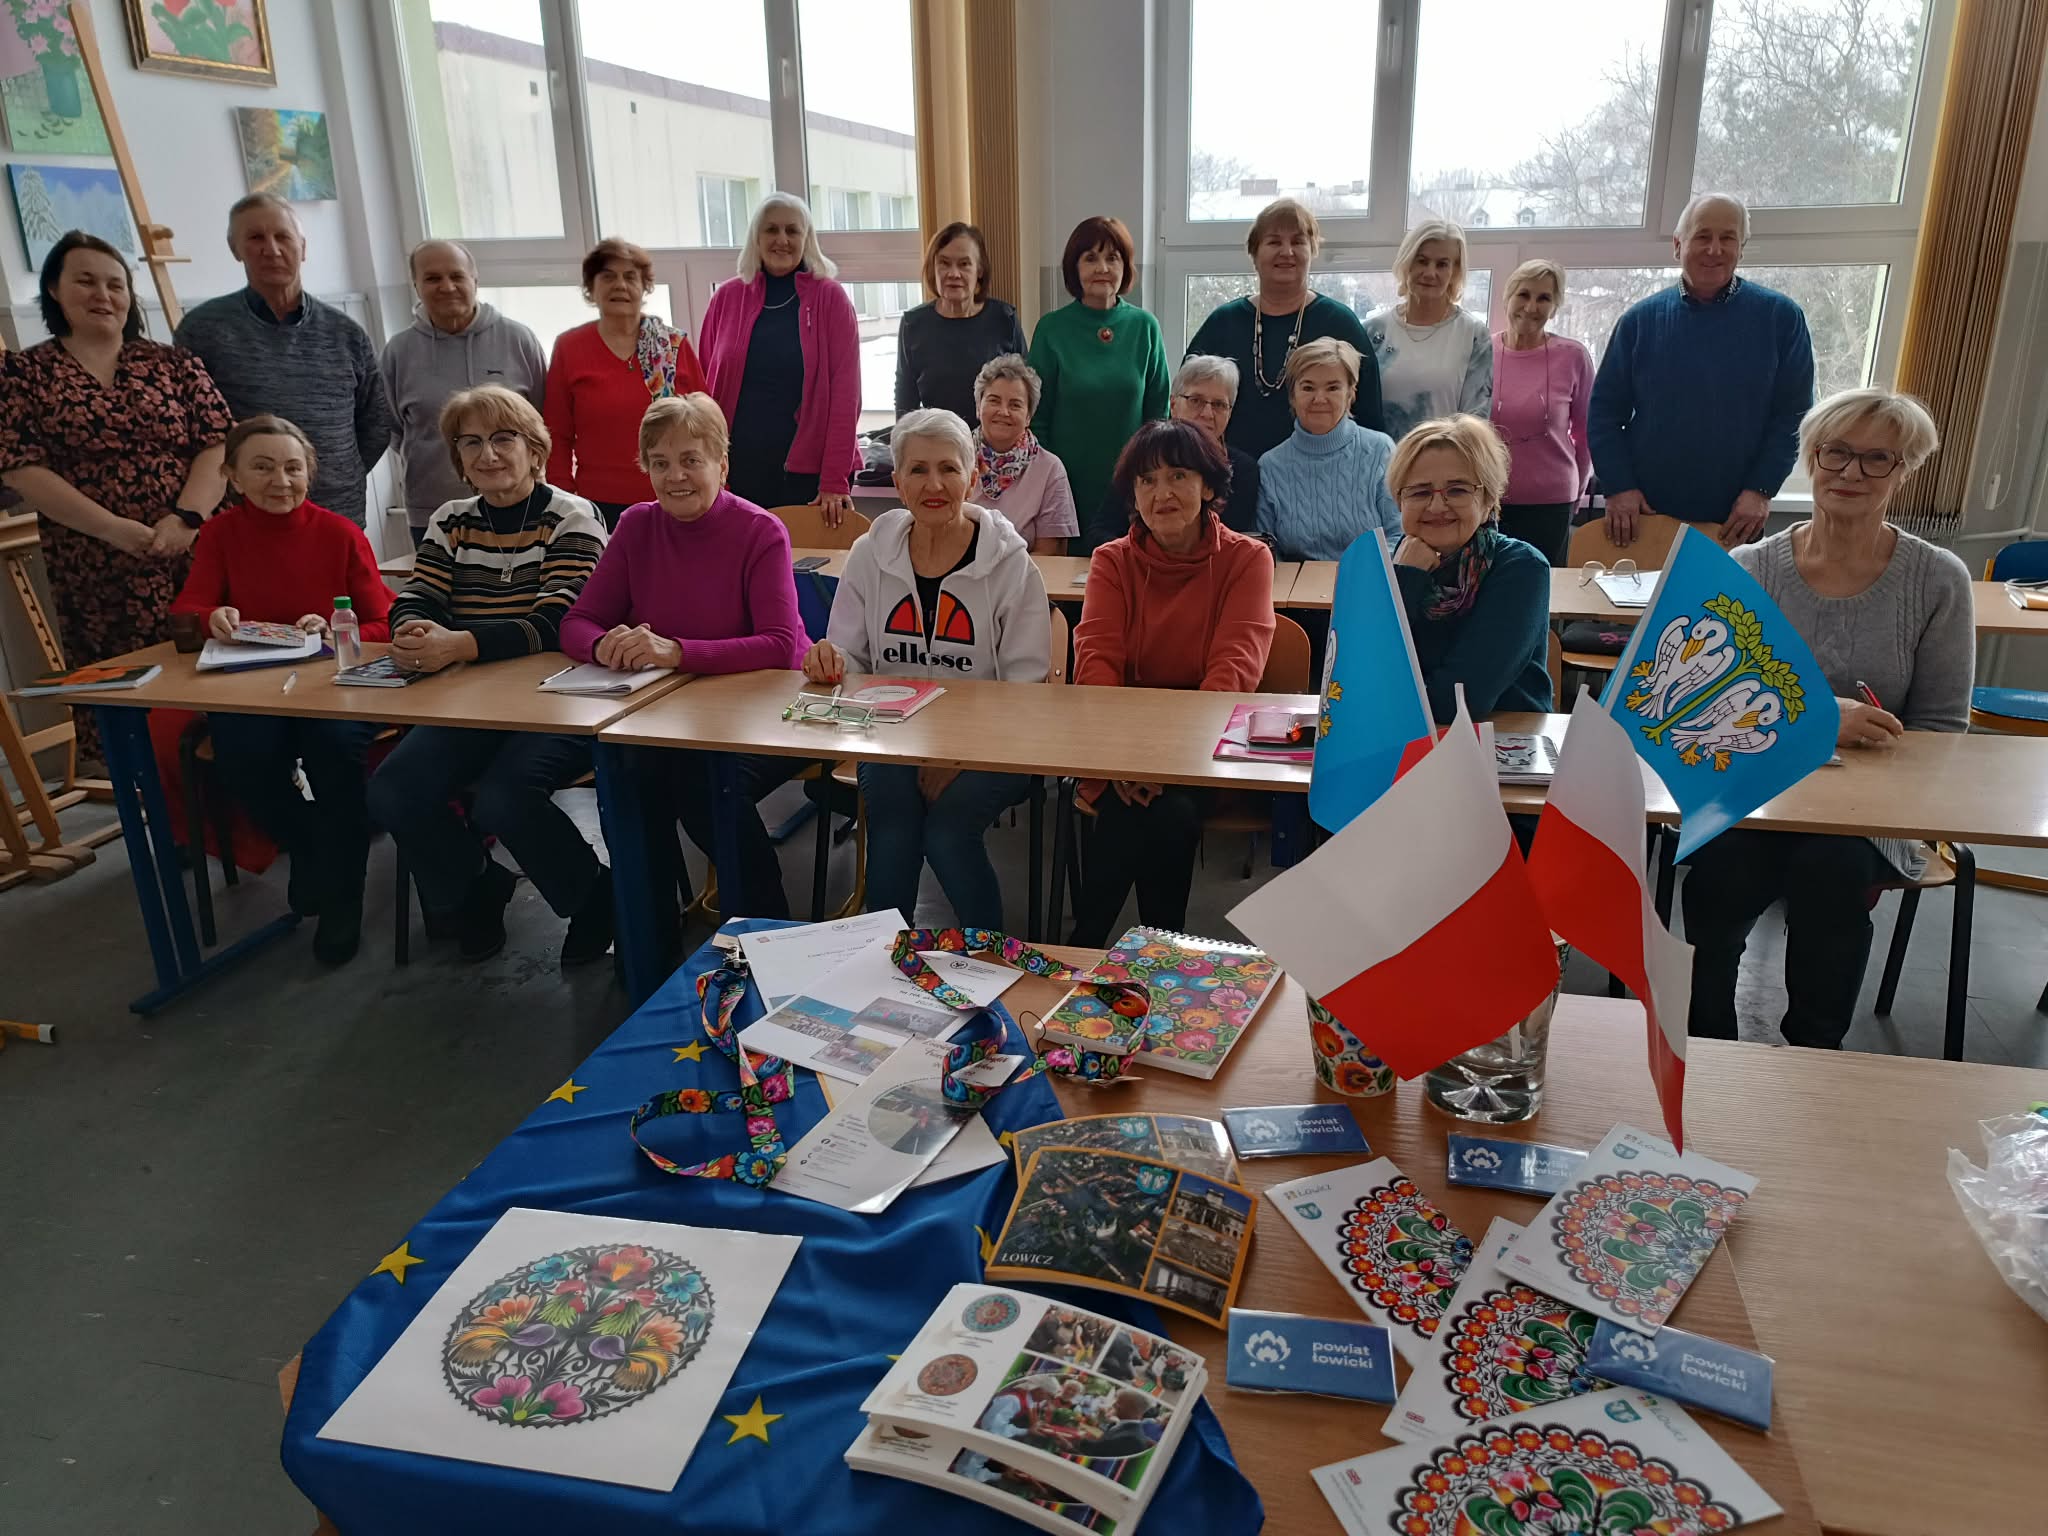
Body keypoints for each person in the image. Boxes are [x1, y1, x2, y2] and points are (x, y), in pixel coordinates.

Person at [1681, 387, 1971, 1050]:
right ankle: (1706, 1048)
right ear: (1810, 458)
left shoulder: (1938, 579)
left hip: (1874, 811)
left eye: (1878, 459)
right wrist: (1816, 720)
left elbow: (1944, 731)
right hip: (1760, 793)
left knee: (1831, 870)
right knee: (1719, 874)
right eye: (1835, 452)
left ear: (1905, 471)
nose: (1851, 472)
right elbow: (1711, 706)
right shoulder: (1750, 567)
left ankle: (1816, 1055)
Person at [366, 386, 612, 966]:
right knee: (394, 788)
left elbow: (558, 621)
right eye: (470, 442)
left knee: (503, 799)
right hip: (470, 701)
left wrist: (460, 644)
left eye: (503, 439)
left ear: (535, 449)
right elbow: (418, 594)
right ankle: (477, 883)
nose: (488, 454)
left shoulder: (573, 517)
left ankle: (593, 897)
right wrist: (412, 630)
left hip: (558, 701)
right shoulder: (451, 519)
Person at [560, 394, 810, 931]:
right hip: (670, 714)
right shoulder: (636, 525)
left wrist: (676, 651)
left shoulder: (760, 530)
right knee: (630, 777)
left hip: (769, 710)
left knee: (703, 785)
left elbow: (777, 644)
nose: (675, 476)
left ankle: (767, 930)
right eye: (660, 462)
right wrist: (604, 644)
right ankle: (649, 936)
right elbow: (578, 622)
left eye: (691, 460)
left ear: (722, 464)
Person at [802, 408, 1050, 928]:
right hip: (894, 736)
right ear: (897, 483)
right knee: (893, 823)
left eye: (948, 469)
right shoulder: (869, 555)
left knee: (947, 833)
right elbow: (851, 657)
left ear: (972, 478)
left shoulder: (1011, 565)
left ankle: (990, 956)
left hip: (996, 743)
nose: (933, 485)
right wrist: (831, 659)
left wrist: (958, 755)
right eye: (917, 470)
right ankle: (885, 954)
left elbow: (1027, 691)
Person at [0, 233, 230, 762]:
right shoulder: (23, 375)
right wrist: (113, 529)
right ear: (54, 290)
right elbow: (21, 468)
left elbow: (219, 444)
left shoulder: (175, 363)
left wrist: (186, 518)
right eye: (85, 281)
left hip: (194, 549)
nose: (103, 295)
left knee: (215, 681)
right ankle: (148, 798)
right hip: (94, 559)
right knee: (128, 697)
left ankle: (224, 799)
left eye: (116, 284)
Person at [169, 417, 389, 962]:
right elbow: (189, 606)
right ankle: (310, 847)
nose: (280, 481)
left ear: (309, 473)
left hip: (336, 687)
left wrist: (337, 631)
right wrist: (210, 616)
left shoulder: (340, 533)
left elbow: (384, 621)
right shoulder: (219, 534)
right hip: (253, 689)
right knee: (242, 759)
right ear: (232, 476)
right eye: (262, 468)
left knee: (335, 756)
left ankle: (343, 899)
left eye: (293, 468)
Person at [1069, 421, 1275, 945]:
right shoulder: (1111, 560)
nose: (1162, 493)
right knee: (1143, 812)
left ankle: (1084, 947)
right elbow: (1096, 666)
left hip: (1205, 745)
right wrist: (1126, 758)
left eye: (1178, 475)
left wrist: (1163, 762)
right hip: (1120, 745)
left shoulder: (1247, 559)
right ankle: (1160, 959)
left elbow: (1234, 671)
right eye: (1147, 480)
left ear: (1208, 486)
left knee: (1163, 812)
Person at [1589, 193, 1815, 548]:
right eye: (1702, 236)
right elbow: (1604, 412)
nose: (1714, 249)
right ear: (1678, 245)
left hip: (1735, 518)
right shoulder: (1639, 322)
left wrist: (1761, 489)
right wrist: (1619, 486)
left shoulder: (1781, 319)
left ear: (1742, 248)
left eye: (1728, 238)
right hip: (1645, 515)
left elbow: (1794, 416)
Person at [174, 193, 391, 527]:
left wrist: (338, 474)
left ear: (302, 247)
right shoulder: (202, 330)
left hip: (338, 515)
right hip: (247, 519)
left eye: (282, 237)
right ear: (235, 249)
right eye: (256, 238)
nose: (271, 249)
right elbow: (192, 430)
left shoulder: (346, 332)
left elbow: (376, 423)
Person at [699, 194, 862, 521]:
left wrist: (834, 478)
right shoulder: (726, 298)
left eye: (792, 230)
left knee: (799, 555)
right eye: (771, 229)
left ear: (807, 238)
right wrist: (705, 463)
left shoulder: (831, 298)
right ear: (756, 238)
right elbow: (704, 387)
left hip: (808, 476)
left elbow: (846, 396)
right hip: (737, 468)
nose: (782, 239)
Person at [1184, 196, 1383, 459]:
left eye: (1298, 242)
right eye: (1274, 242)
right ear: (1254, 254)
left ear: (1312, 251)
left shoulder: (1340, 323)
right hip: (1230, 474)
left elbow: (1369, 418)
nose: (1287, 252)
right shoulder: (1223, 323)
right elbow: (1185, 410)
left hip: (1322, 473)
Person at [1386, 415, 1552, 724]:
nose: (1437, 507)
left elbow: (1459, 703)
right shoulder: (1388, 565)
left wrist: (1387, 697)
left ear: (1488, 500)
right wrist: (1406, 577)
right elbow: (1360, 678)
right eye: (1420, 492)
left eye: (1458, 490)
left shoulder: (1522, 568)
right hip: (1408, 734)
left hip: (1505, 740)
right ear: (1399, 502)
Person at [542, 238, 706, 529]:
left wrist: (715, 490)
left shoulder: (673, 345)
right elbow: (556, 433)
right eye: (608, 277)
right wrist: (563, 501)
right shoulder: (569, 347)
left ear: (644, 288)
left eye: (630, 277)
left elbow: (706, 427)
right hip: (597, 506)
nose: (620, 285)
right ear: (591, 289)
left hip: (674, 495)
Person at [1029, 216, 1169, 527]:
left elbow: (1159, 414)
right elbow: (1036, 417)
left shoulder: (1145, 326)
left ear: (1126, 266)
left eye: (1112, 258)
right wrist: (1049, 480)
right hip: (1064, 485)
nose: (1102, 268)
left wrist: (1149, 477)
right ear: (1074, 268)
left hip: (1132, 485)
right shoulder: (1052, 329)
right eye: (1090, 258)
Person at [1084, 356, 1262, 550]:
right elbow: (1100, 532)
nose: (1207, 414)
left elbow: (1231, 542)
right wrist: (1134, 556)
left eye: (1219, 405)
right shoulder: (1143, 457)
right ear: (1173, 404)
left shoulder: (1244, 470)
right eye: (1196, 401)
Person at [1490, 259, 1594, 566]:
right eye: (1523, 294)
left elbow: (1586, 432)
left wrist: (1578, 489)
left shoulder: (1573, 356)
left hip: (1551, 501)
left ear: (1555, 306)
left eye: (1544, 298)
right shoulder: (1482, 350)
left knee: (1544, 586)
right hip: (1489, 499)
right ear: (1508, 297)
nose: (1531, 307)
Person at [1256, 338, 1399, 560]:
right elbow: (1265, 551)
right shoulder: (1270, 466)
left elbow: (1399, 536)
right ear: (1292, 396)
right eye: (1308, 387)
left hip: (1369, 576)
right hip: (1295, 582)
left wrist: (1353, 572)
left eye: (1333, 387)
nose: (1319, 398)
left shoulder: (1381, 450)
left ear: (1350, 393)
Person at [1364, 219, 1493, 443]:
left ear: (1455, 271)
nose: (1430, 273)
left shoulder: (1474, 336)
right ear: (1407, 263)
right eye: (1422, 261)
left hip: (1446, 461)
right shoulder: (1372, 331)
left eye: (1442, 264)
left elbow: (1475, 425)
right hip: (1380, 461)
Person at [895, 222, 1028, 424]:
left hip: (996, 438)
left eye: (964, 264)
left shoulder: (1004, 319)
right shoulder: (913, 324)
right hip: (938, 438)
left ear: (979, 270)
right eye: (944, 263)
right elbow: (905, 400)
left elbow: (1024, 391)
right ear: (933, 268)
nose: (954, 274)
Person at [969, 354, 1076, 553]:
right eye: (994, 401)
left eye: (1015, 405)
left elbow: (1050, 555)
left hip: (1024, 572)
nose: (1003, 412)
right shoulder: (954, 460)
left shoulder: (1050, 470)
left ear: (1028, 416)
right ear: (978, 407)